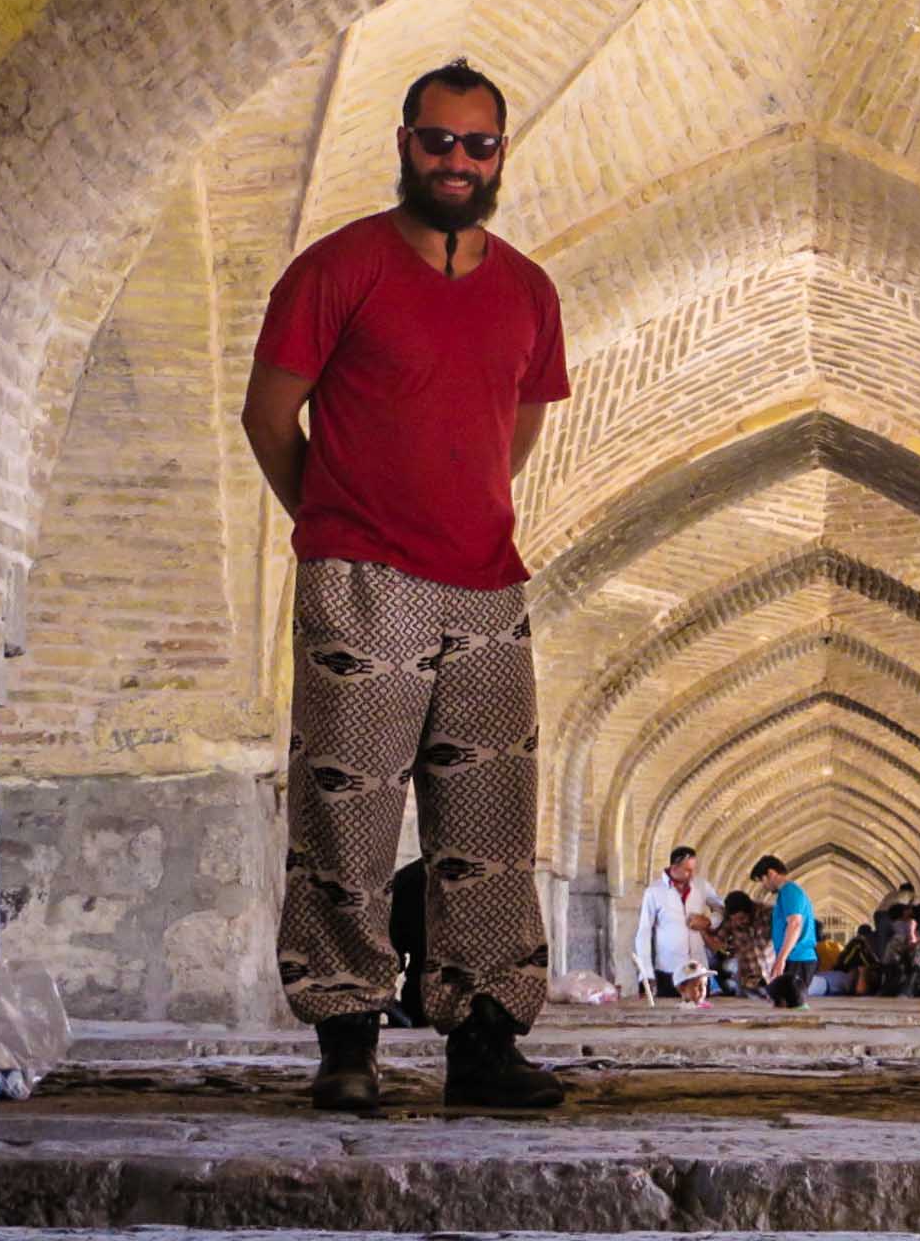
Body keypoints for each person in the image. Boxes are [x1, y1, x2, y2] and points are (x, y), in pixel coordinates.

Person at [243, 58, 571, 1112]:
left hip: (485, 585)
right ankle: (347, 1040)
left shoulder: (527, 289)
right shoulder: (338, 269)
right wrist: (337, 524)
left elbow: (519, 426)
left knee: (489, 815)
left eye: (478, 145)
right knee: (348, 809)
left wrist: (458, 510)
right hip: (362, 576)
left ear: (501, 154)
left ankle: (484, 1036)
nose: (457, 161)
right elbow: (268, 415)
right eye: (438, 141)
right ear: (404, 143)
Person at [632, 845, 722, 999]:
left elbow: (720, 909)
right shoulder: (654, 892)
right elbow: (644, 932)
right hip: (669, 969)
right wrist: (646, 972)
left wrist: (709, 922)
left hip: (698, 969)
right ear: (674, 867)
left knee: (701, 1014)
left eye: (693, 869)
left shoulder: (701, 886)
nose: (691, 874)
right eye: (687, 870)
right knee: (669, 1012)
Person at [750, 854, 819, 1008]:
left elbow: (794, 924)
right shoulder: (786, 893)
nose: (764, 886)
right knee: (785, 1004)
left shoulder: (790, 892)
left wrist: (781, 959)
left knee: (792, 1005)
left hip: (798, 958)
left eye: (762, 880)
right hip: (794, 957)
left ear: (771, 874)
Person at [706, 889, 775, 1000]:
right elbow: (716, 942)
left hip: (772, 975)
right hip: (747, 981)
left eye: (742, 918)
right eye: (735, 920)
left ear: (750, 911)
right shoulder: (729, 921)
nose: (738, 922)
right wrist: (703, 930)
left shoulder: (767, 913)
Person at [877, 906, 920, 998]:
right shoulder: (902, 926)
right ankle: (907, 990)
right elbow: (909, 941)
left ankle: (902, 989)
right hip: (898, 961)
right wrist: (913, 931)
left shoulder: (892, 926)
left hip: (893, 963)